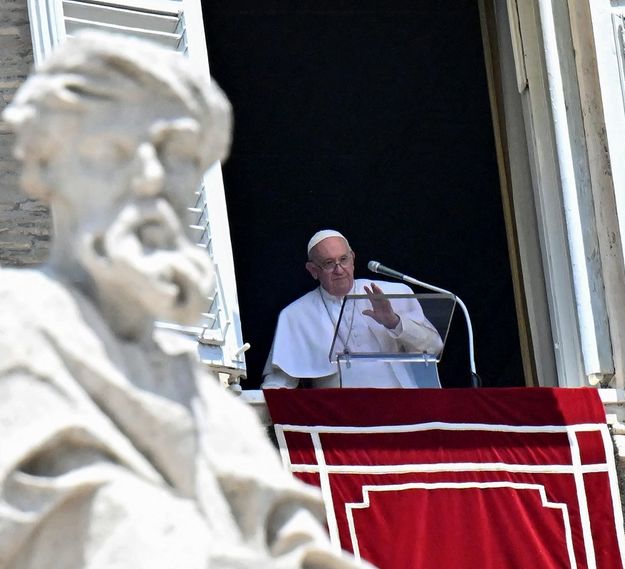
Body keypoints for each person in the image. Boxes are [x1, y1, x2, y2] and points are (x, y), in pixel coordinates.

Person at [0, 31, 366, 569]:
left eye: (174, 156)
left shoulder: (194, 392)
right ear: (46, 167)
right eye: (116, 151)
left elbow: (294, 541)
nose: (151, 178)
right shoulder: (13, 326)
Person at [263, 230, 444, 388]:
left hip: (400, 402)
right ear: (313, 270)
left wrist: (394, 322)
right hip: (338, 410)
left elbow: (433, 348)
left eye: (343, 259)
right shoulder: (296, 314)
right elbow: (280, 381)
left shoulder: (394, 293)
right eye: (329, 263)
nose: (339, 270)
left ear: (353, 259)